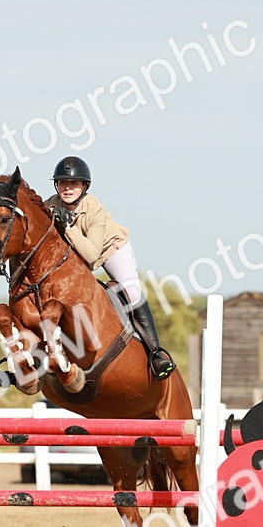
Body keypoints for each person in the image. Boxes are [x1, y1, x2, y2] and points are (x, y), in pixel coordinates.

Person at [45, 156, 176, 380]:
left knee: (132, 290)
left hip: (110, 250)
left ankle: (156, 353)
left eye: (73, 183)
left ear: (84, 186)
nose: (67, 188)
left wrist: (67, 226)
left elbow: (92, 254)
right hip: (77, 259)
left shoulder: (93, 207)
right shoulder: (50, 205)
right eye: (62, 183)